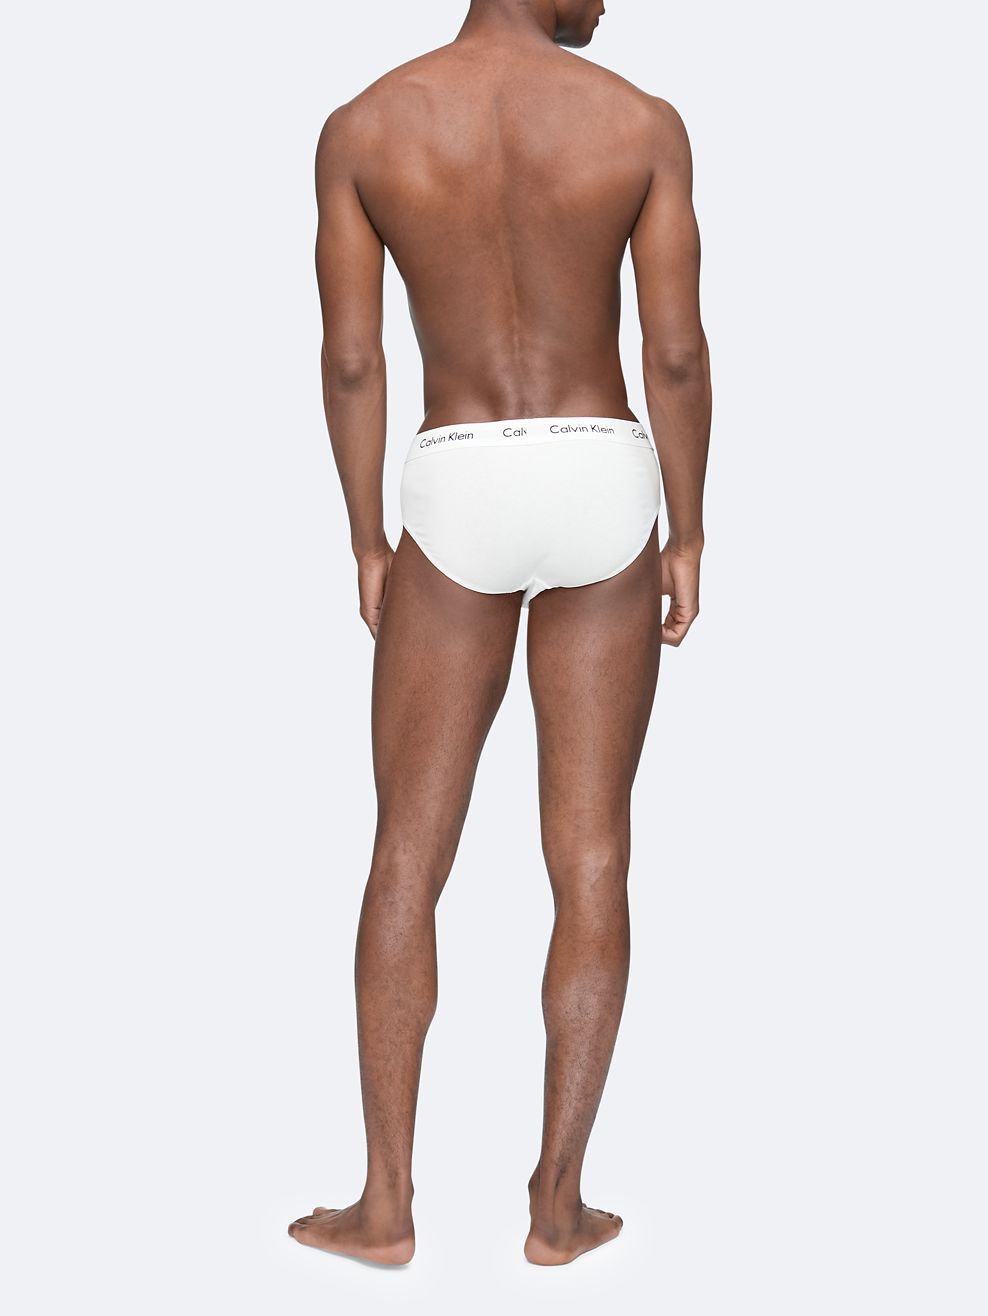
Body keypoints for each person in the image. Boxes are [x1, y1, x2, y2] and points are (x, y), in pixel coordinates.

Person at [288, 0, 711, 1267]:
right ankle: (558, 1206)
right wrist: (688, 529)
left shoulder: (367, 124)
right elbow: (674, 353)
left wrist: (366, 536)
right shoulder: (638, 122)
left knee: (405, 854)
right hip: (600, 469)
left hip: (458, 471)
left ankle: (384, 1205)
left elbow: (351, 359)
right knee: (591, 854)